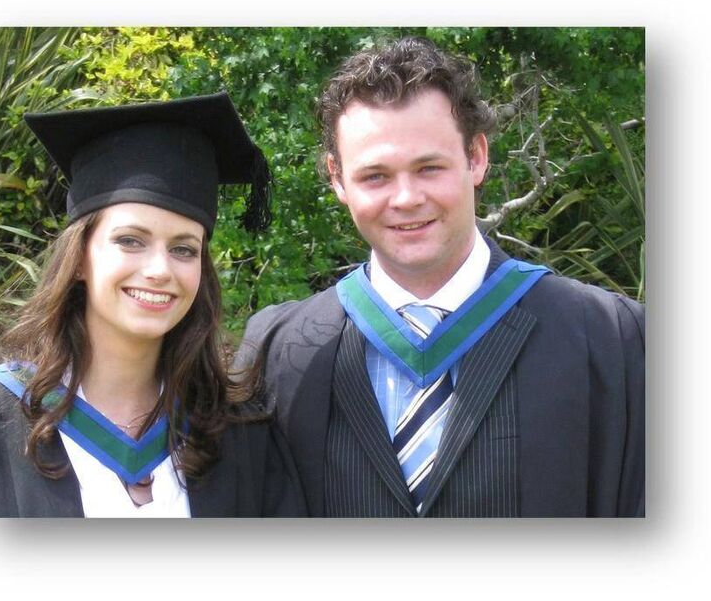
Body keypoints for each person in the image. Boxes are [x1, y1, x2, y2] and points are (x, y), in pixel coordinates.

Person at [237, 37, 644, 517]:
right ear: (336, 177)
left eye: (429, 167)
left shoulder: (611, 339)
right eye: (375, 176)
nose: (406, 198)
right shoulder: (279, 353)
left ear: (477, 156)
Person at [0, 93, 306, 517]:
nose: (159, 270)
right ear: (79, 258)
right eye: (130, 241)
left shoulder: (240, 433)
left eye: (184, 249)